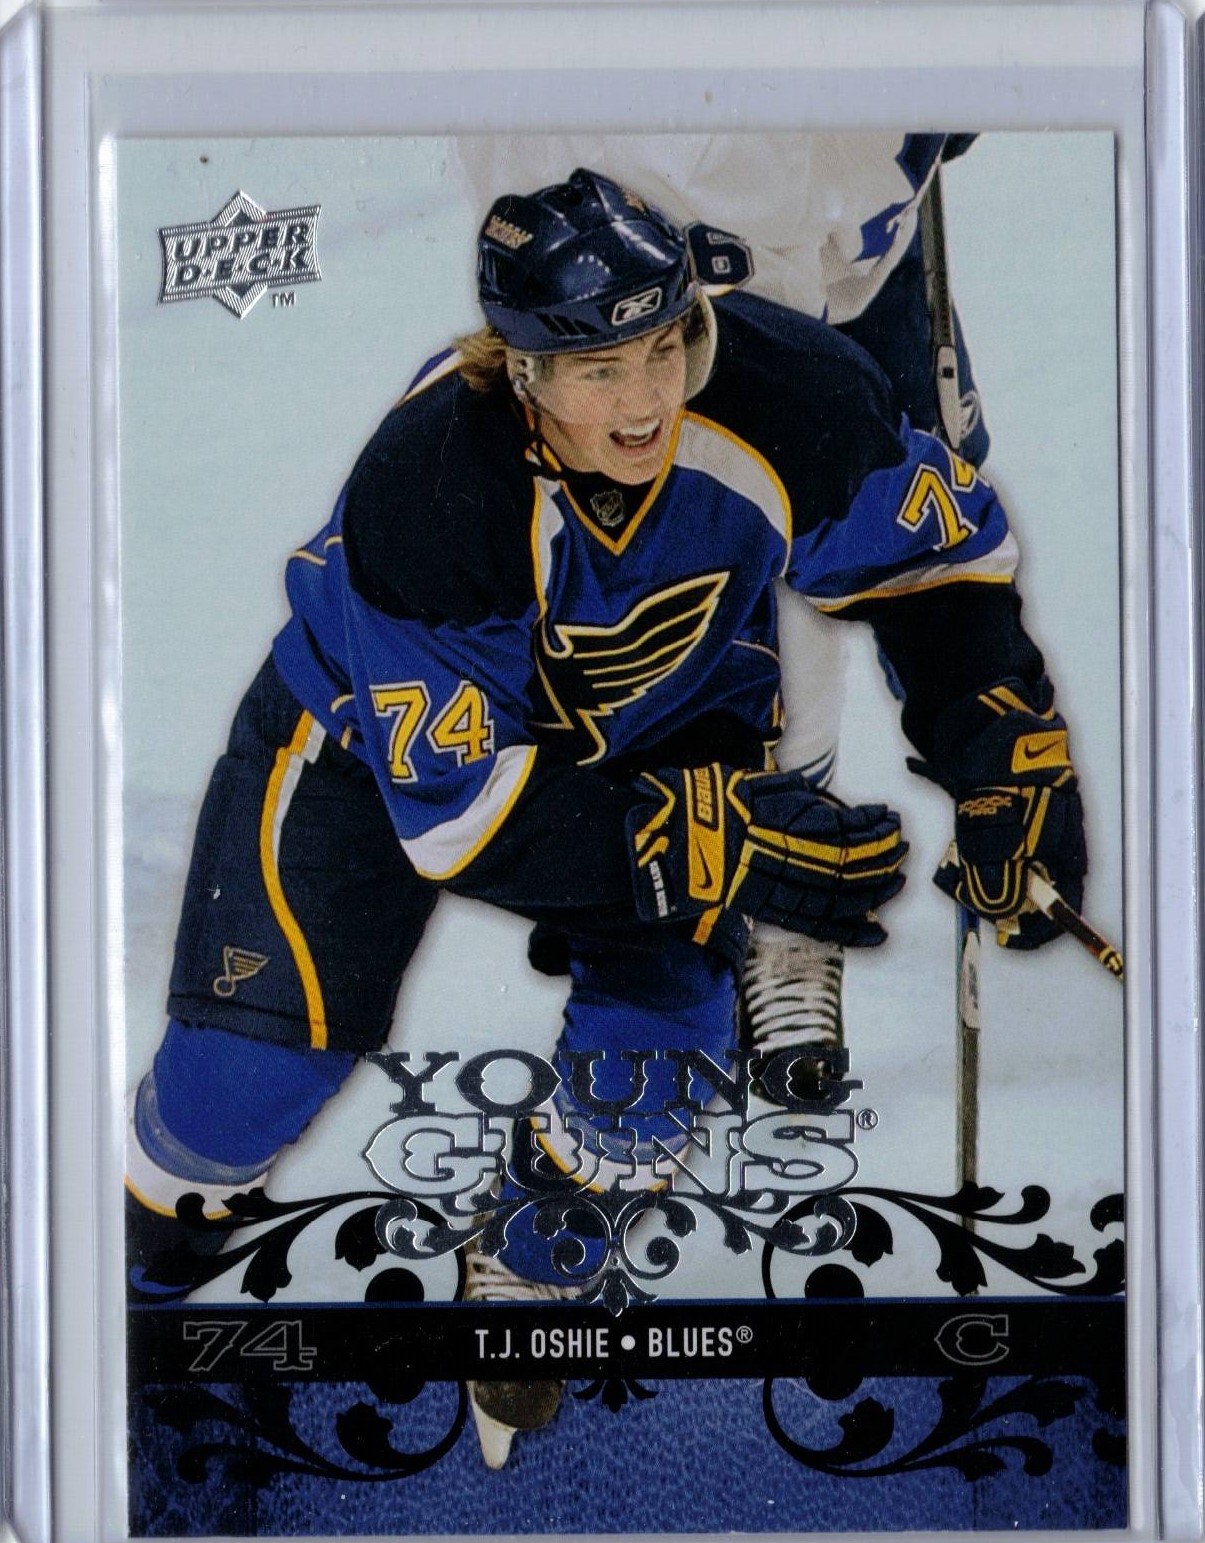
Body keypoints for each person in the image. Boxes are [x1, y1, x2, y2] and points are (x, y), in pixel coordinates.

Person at [125, 168, 1087, 1465]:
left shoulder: (793, 395)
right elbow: (459, 819)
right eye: (594, 367)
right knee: (231, 1098)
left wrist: (1003, 749)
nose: (642, 399)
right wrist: (713, 840)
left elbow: (935, 569)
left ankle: (529, 1247)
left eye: (661, 346)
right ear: (519, 370)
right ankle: (122, 1300)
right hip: (359, 748)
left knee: (653, 1077)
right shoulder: (430, 485)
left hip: (661, 736)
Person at [453, 133, 988, 1085]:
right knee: (618, 550)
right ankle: (660, 894)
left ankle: (784, 910)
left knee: (839, 524)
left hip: (797, 239)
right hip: (625, 202)